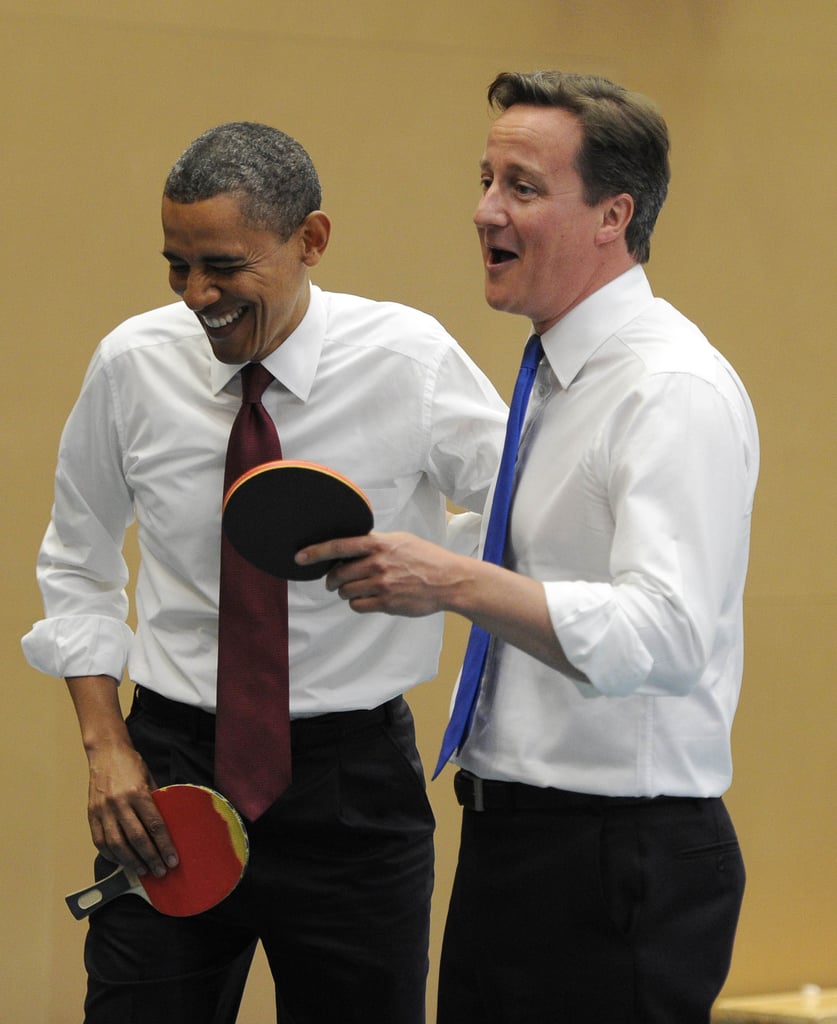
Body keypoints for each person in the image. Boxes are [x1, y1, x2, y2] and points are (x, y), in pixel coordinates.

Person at [297, 71, 760, 1023]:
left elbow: (668, 634)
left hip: (616, 862)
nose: (482, 210)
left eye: (521, 185)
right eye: (484, 178)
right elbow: (555, 553)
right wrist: (407, 548)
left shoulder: (669, 389)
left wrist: (455, 579)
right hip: (513, 840)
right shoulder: (556, 378)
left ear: (612, 216)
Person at [21, 121, 507, 1023]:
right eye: (176, 265)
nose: (197, 293)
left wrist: (435, 571)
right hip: (168, 778)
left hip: (354, 786)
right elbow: (78, 562)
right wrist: (105, 748)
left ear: (310, 241)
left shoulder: (410, 360)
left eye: (224, 266)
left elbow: (516, 510)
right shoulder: (132, 364)